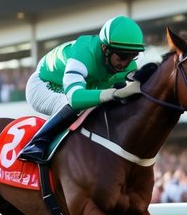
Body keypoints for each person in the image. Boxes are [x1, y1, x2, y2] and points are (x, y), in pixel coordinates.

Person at [17, 15, 146, 163]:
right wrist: (114, 93)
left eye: (132, 56)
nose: (126, 63)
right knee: (78, 106)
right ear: (105, 48)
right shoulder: (84, 53)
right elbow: (75, 98)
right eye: (122, 57)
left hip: (86, 85)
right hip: (44, 85)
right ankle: (36, 144)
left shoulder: (133, 61)